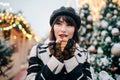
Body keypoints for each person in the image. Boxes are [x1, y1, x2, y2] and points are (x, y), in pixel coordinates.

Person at [26, 6, 92, 80]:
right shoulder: (37, 50)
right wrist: (56, 58)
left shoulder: (84, 53)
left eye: (69, 25)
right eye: (58, 23)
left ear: (75, 30)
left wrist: (70, 58)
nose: (63, 29)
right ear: (53, 27)